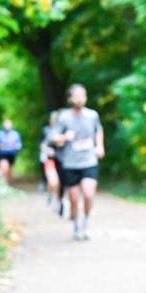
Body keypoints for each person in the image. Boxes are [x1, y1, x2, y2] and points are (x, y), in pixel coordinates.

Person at [51, 84, 104, 240]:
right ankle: (76, 226)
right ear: (70, 98)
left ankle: (86, 224)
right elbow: (54, 137)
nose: (80, 98)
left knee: (88, 195)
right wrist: (64, 137)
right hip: (70, 163)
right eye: (77, 95)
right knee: (74, 198)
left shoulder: (92, 115)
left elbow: (98, 130)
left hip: (89, 161)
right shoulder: (64, 117)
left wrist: (100, 146)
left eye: (83, 95)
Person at [39, 111, 62, 211]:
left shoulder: (64, 131)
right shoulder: (46, 130)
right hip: (49, 160)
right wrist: (47, 151)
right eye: (54, 119)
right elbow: (42, 145)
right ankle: (50, 194)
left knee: (60, 182)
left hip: (62, 160)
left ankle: (58, 201)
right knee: (53, 182)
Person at [0, 119, 22, 185]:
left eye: (8, 124)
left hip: (12, 154)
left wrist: (15, 147)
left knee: (9, 171)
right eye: (6, 124)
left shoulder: (15, 134)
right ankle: (4, 184)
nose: (7, 126)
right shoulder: (0, 133)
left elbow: (19, 145)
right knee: (4, 169)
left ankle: (8, 185)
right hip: (3, 154)